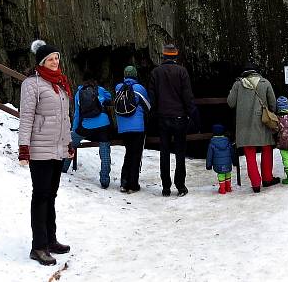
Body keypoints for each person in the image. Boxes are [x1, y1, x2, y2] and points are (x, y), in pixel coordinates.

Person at [18, 40, 75, 266]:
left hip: (57, 150)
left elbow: (64, 119)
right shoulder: (32, 84)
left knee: (51, 196)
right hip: (40, 150)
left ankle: (51, 240)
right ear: (42, 61)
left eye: (57, 58)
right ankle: (38, 246)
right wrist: (24, 149)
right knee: (40, 197)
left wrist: (68, 144)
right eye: (50, 59)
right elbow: (27, 118)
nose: (55, 62)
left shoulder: (60, 84)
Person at [148, 43, 196, 197]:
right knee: (180, 152)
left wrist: (155, 114)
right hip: (179, 117)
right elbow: (187, 96)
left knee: (164, 153)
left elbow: (152, 97)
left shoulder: (156, 72)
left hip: (163, 118)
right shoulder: (182, 71)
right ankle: (180, 186)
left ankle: (166, 187)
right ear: (175, 56)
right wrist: (191, 113)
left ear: (164, 56)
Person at [227, 63, 278, 193]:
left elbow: (231, 103)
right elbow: (273, 104)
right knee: (267, 149)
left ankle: (255, 184)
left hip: (244, 125)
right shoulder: (265, 82)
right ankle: (267, 179)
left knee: (250, 153)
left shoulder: (238, 84)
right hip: (263, 121)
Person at [61, 78, 113, 189]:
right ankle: (105, 180)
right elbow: (110, 97)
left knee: (71, 144)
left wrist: (75, 131)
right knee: (104, 152)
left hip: (86, 125)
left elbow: (77, 114)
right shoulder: (100, 89)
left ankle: (63, 168)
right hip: (103, 125)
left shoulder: (79, 92)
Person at [114, 65, 150, 194]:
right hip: (137, 127)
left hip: (123, 127)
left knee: (128, 153)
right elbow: (148, 105)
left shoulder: (118, 88)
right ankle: (132, 184)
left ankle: (124, 182)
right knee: (136, 155)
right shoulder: (139, 88)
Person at [206, 124, 234, 194]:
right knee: (228, 174)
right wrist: (235, 161)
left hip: (218, 164)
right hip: (228, 163)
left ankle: (222, 189)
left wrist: (208, 165)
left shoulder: (212, 143)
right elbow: (232, 152)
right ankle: (228, 187)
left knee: (221, 174)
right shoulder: (227, 142)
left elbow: (209, 155)